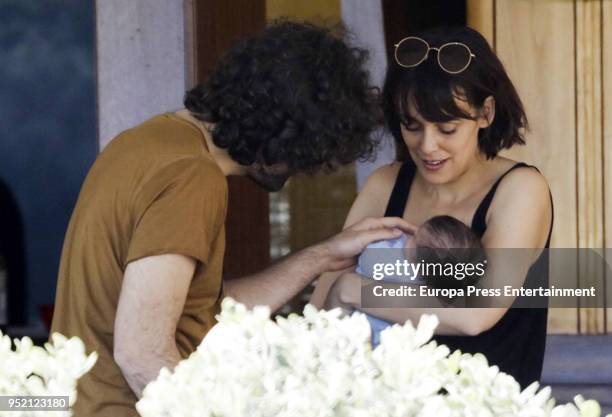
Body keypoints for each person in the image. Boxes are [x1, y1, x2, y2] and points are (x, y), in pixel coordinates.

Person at [51, 21, 415, 417]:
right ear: (282, 134)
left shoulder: (145, 141)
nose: (298, 171)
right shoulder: (192, 178)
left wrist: (321, 256)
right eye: (305, 155)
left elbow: (200, 309)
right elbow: (141, 353)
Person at [311, 26, 554, 388]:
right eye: (412, 125)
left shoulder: (520, 189)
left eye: (447, 128)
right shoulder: (385, 184)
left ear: (485, 113)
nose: (427, 146)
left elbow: (475, 314)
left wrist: (353, 289)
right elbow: (319, 312)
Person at [329, 215, 485, 346]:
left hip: (362, 329)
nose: (407, 236)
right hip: (394, 341)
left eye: (413, 238)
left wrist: (378, 239)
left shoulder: (386, 258)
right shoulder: (430, 286)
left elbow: (366, 257)